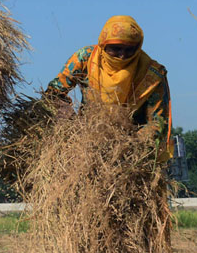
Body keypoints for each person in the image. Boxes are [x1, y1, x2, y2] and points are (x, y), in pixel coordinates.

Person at [46, 15, 173, 157]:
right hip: (85, 142)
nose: (122, 55)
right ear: (103, 44)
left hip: (129, 151)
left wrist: (127, 144)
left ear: (138, 47)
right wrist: (70, 119)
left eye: (129, 49)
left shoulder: (152, 74)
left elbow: (158, 123)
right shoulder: (86, 58)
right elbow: (54, 92)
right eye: (116, 48)